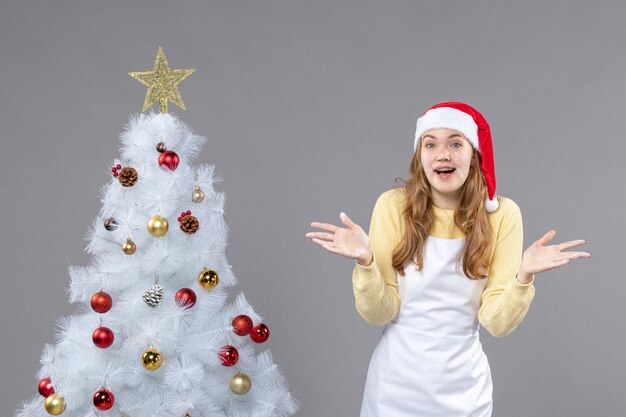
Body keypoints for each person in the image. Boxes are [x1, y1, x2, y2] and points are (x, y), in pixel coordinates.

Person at [304, 101, 591, 417]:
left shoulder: (502, 215)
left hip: (464, 390)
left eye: (456, 142)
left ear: (474, 155)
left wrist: (523, 277)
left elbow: (496, 323)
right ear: (420, 156)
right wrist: (365, 261)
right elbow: (378, 313)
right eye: (431, 144)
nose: (443, 154)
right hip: (394, 387)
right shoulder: (392, 207)